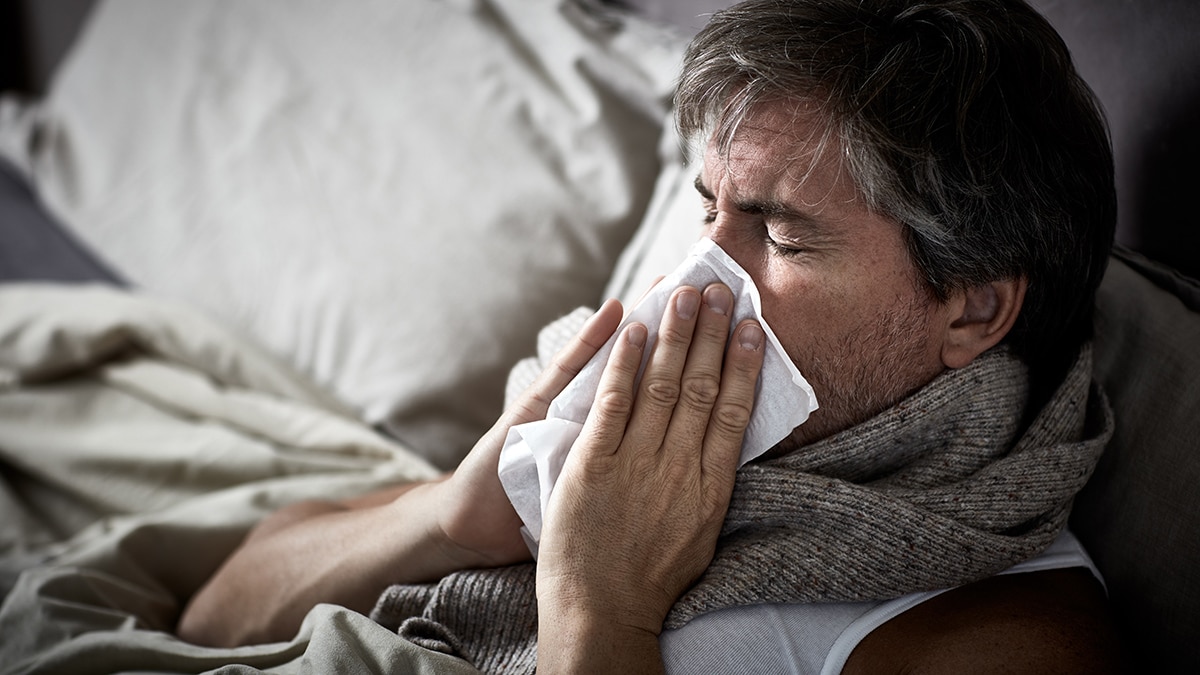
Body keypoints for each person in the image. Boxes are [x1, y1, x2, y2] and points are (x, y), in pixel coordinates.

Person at [177, 0, 1125, 671]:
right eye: (707, 210)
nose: (686, 287)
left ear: (972, 310)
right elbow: (213, 616)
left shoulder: (1002, 632)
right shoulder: (607, 443)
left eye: (781, 233)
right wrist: (447, 517)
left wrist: (604, 607)